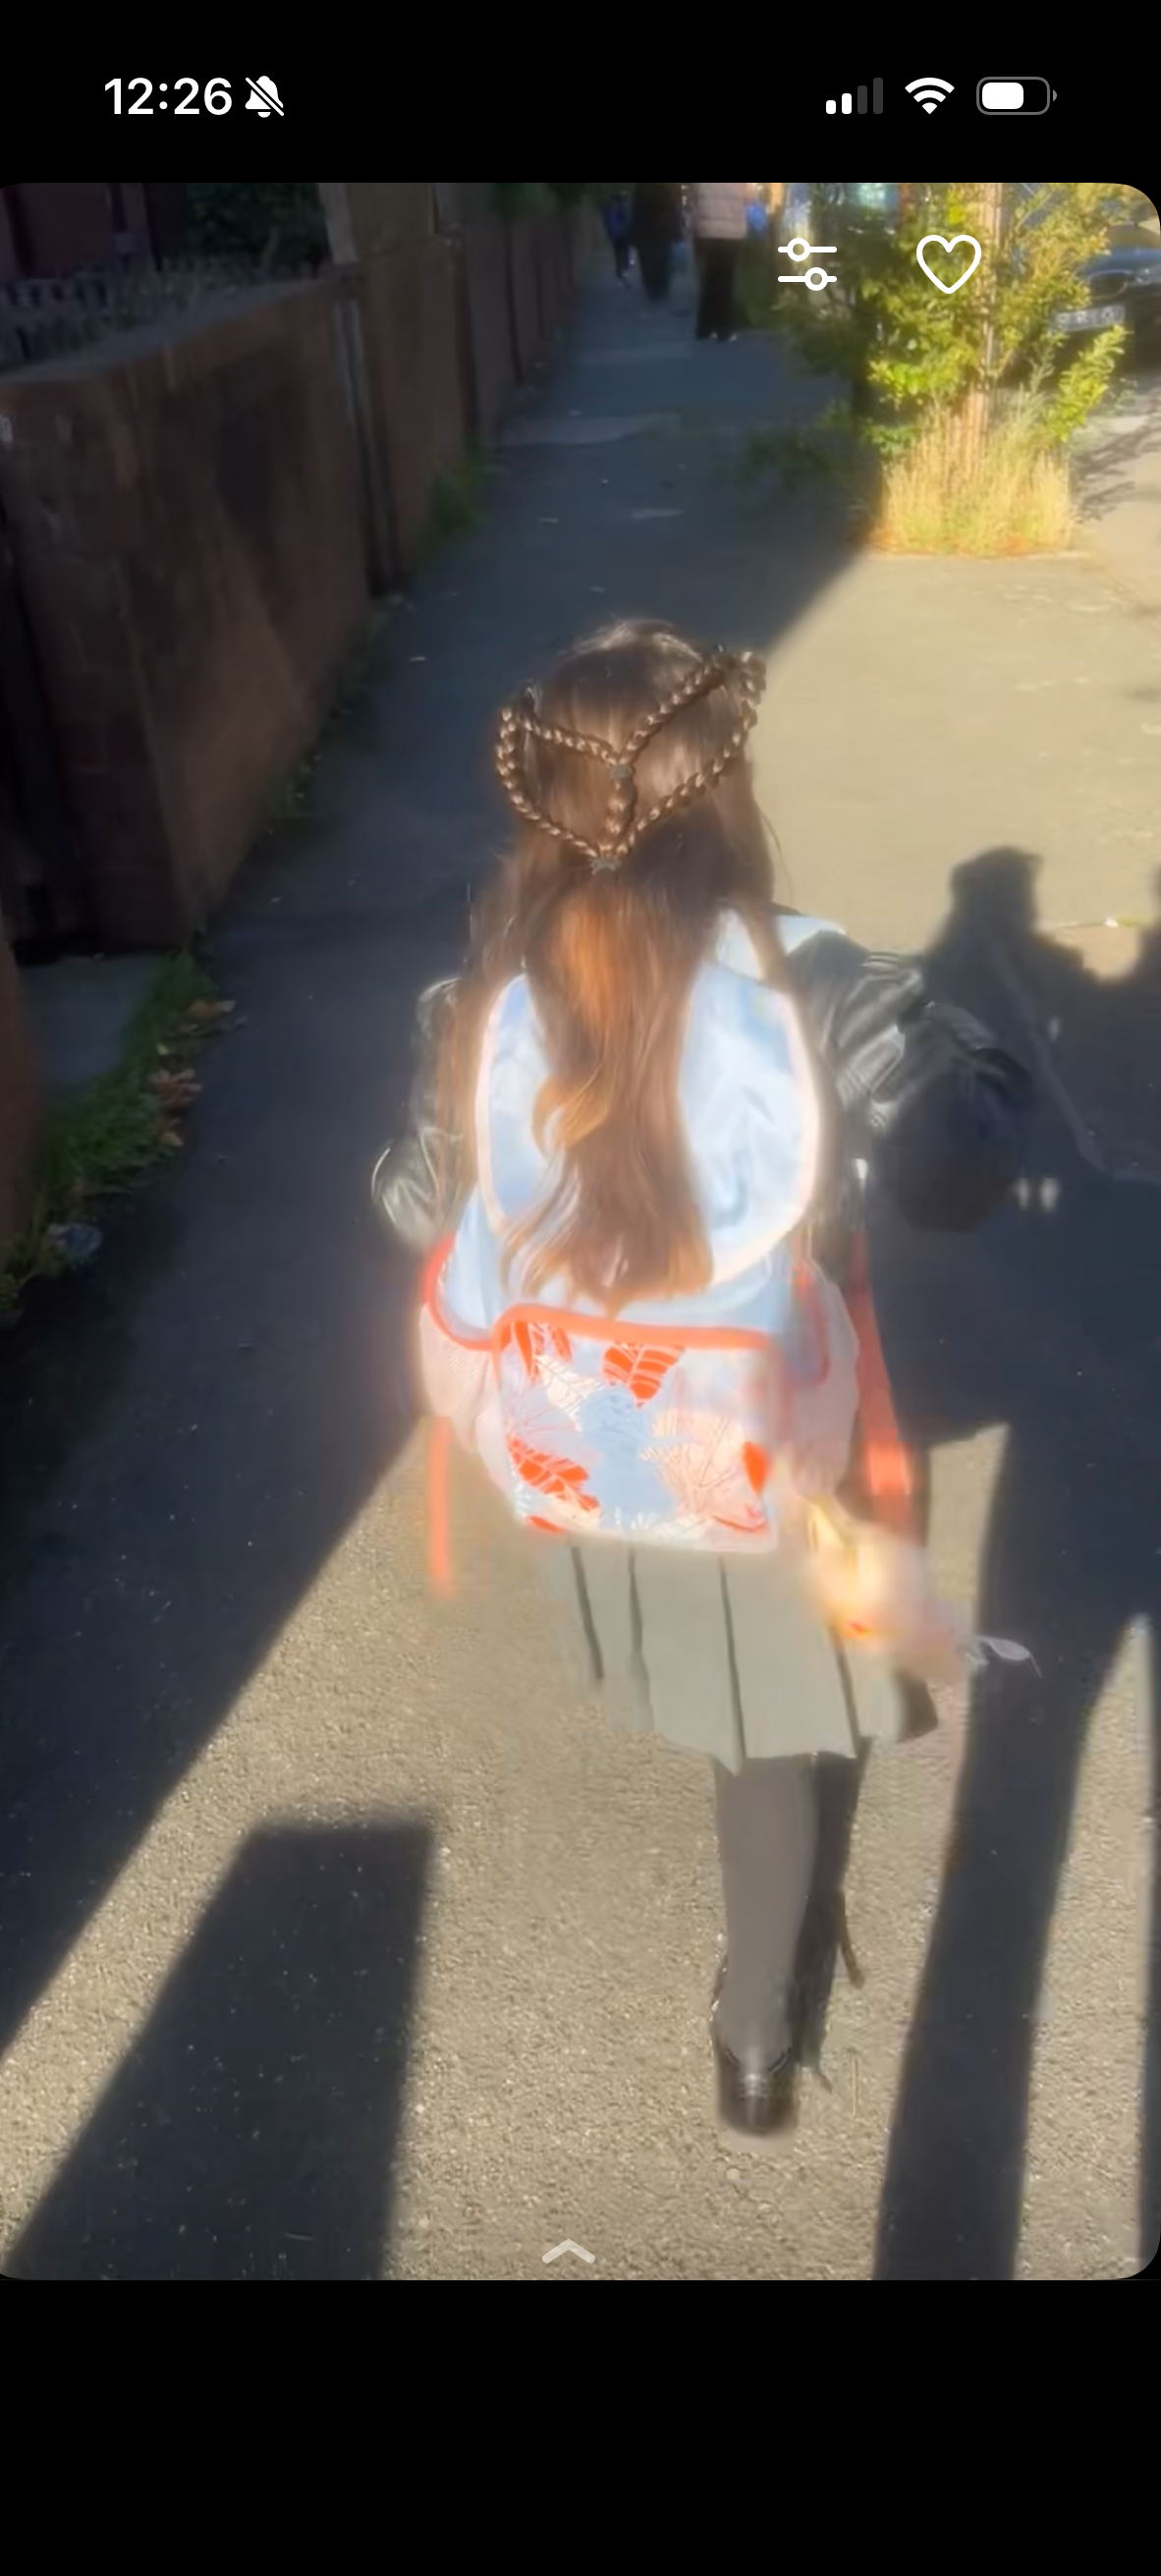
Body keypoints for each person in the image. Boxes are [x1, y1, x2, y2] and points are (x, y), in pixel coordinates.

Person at [371, 621, 1031, 2148]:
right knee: (765, 1736)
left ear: (539, 798)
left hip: (581, 1440)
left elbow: (412, 1203)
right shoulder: (814, 981)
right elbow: (960, 1166)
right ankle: (752, 2048)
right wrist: (961, 1062)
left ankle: (751, 2009)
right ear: (722, 790)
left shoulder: (480, 993)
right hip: (761, 1442)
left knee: (706, 1693)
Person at [688, 183, 748, 341]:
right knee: (726, 280)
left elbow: (693, 199)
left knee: (709, 279)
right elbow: (748, 198)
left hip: (706, 231)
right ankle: (724, 329)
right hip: (732, 233)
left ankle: (705, 328)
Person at [629, 183, 682, 304]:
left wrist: (632, 233)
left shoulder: (640, 189)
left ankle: (651, 288)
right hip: (661, 231)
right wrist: (676, 231)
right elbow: (671, 211)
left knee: (646, 261)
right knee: (662, 260)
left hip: (644, 232)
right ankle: (659, 288)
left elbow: (634, 212)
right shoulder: (664, 190)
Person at [601, 189, 632, 283]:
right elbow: (627, 220)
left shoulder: (611, 208)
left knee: (618, 253)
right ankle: (625, 270)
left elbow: (607, 221)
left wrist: (610, 233)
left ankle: (619, 272)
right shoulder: (622, 207)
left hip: (615, 235)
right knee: (625, 252)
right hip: (623, 234)